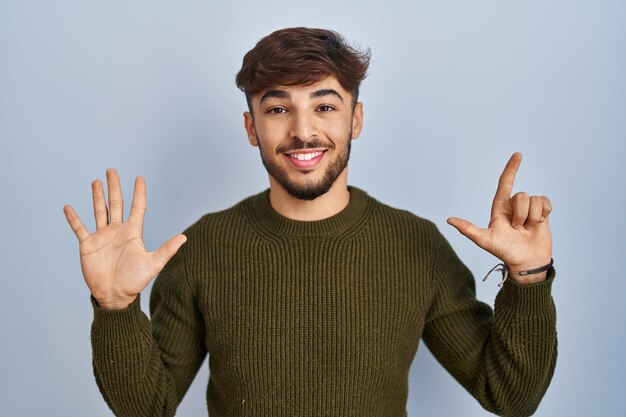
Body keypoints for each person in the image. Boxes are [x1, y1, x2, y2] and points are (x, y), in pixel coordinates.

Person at [63, 27, 557, 417]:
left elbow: (510, 397)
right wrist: (116, 306)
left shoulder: (415, 245)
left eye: (324, 105)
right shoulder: (203, 247)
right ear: (251, 128)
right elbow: (148, 409)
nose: (303, 131)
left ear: (355, 120)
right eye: (278, 108)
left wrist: (529, 280)